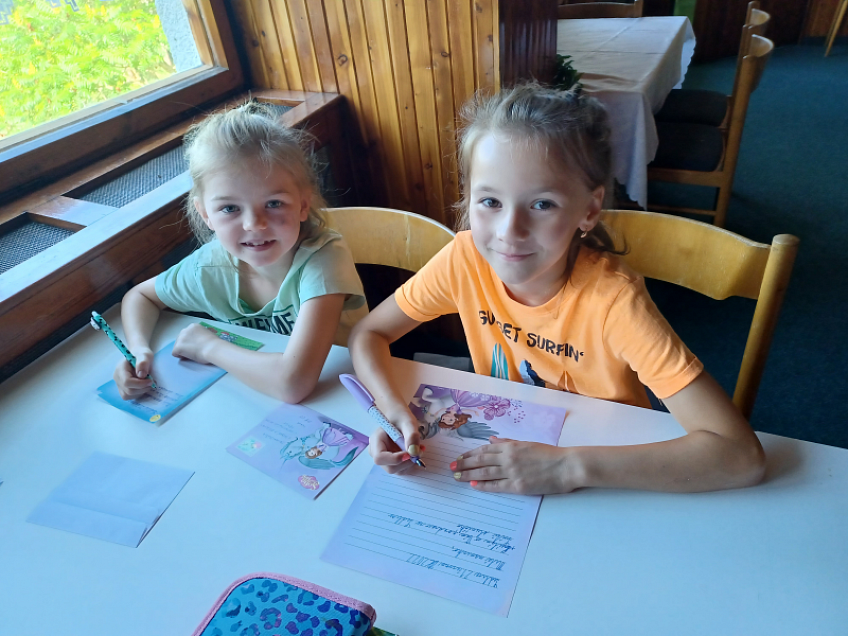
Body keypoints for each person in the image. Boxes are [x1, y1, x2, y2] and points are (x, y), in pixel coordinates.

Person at [348, 83, 765, 495]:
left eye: (542, 204)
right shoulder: (464, 260)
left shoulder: (613, 301)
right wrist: (393, 411)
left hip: (610, 475)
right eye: (490, 202)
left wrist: (568, 468)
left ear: (589, 209)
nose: (509, 231)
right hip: (513, 454)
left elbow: (740, 455)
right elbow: (369, 333)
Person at [114, 103, 367, 403]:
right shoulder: (210, 267)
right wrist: (138, 350)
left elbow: (293, 384)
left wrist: (208, 347)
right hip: (258, 397)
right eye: (230, 208)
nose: (254, 224)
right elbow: (140, 297)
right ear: (206, 214)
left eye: (273, 203)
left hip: (349, 398)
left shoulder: (323, 260)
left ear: (302, 205)